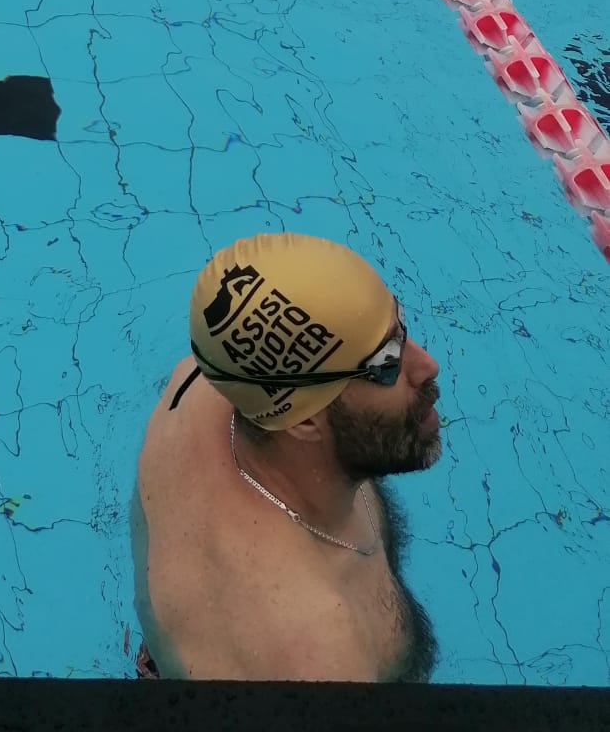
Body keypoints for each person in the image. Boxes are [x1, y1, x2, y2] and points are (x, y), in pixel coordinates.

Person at [132, 232, 441, 683]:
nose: (426, 364)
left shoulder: (198, 382)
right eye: (386, 364)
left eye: (401, 329)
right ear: (303, 421)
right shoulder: (318, 658)